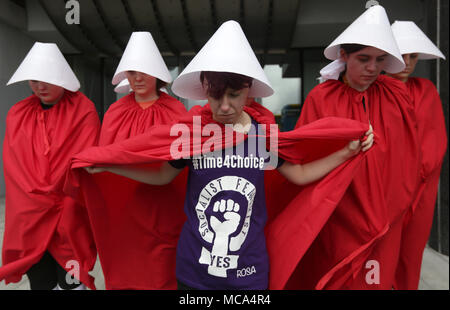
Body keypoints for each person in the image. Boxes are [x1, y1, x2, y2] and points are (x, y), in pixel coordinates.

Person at [82, 20, 373, 290]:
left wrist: (347, 152)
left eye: (233, 94)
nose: (224, 106)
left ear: (248, 90)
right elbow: (161, 176)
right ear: (204, 90)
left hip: (250, 271)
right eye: (215, 95)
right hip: (193, 271)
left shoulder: (262, 134)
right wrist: (111, 165)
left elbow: (300, 174)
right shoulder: (192, 133)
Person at [291, 5, 421, 289]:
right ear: (343, 55)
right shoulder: (321, 98)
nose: (372, 68)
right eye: (363, 59)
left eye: (380, 59)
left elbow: (408, 153)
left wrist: (398, 205)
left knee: (377, 282)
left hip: (387, 214)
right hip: (339, 216)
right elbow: (304, 156)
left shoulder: (396, 94)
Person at [83, 31, 188, 290]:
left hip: (164, 206)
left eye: (144, 71)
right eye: (131, 72)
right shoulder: (116, 111)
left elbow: (182, 164)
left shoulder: (176, 110)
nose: (137, 78)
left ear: (158, 74)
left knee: (162, 273)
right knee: (126, 268)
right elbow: (107, 155)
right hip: (124, 208)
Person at [0, 42, 100, 290]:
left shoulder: (83, 110)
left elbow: (83, 159)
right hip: (29, 216)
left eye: (46, 79)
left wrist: (55, 196)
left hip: (68, 213)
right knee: (40, 281)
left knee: (71, 279)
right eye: (33, 80)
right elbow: (13, 165)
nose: (39, 86)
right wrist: (34, 198)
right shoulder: (17, 113)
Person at [387, 20, 447, 290]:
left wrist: (412, 179)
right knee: (377, 257)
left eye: (413, 56)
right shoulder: (372, 89)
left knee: (410, 255)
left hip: (420, 190)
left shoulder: (426, 90)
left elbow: (435, 142)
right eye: (401, 55)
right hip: (382, 190)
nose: (408, 63)